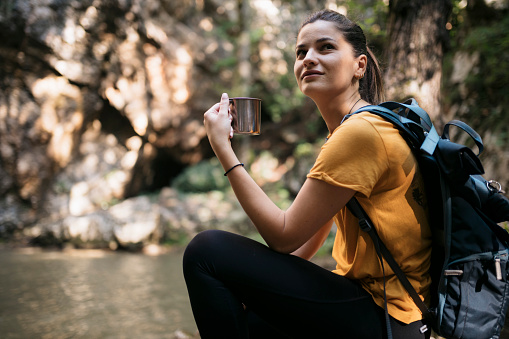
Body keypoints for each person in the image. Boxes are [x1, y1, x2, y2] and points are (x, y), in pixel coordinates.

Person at [183, 9, 432, 339]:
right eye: (301, 52)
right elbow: (307, 241)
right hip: (396, 316)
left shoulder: (360, 135)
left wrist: (223, 150)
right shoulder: (353, 130)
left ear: (359, 65)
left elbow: (284, 236)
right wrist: (256, 291)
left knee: (205, 252)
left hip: (387, 318)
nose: (309, 58)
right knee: (252, 323)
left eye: (325, 47)